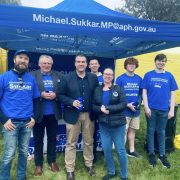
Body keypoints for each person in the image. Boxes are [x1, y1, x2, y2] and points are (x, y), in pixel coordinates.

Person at [0, 50, 40, 180]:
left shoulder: (31, 78)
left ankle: (21, 176)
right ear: (14, 60)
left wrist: (34, 117)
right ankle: (4, 177)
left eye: (26, 59)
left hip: (27, 122)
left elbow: (36, 100)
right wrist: (4, 120)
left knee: (23, 152)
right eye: (20, 58)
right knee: (9, 153)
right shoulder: (4, 77)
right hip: (10, 123)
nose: (23, 60)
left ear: (28, 62)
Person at [58, 54, 98, 180]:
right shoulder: (66, 78)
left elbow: (97, 95)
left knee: (88, 141)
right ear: (75, 63)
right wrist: (71, 102)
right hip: (72, 115)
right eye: (78, 61)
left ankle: (89, 164)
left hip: (88, 115)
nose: (81, 64)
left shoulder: (93, 77)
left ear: (87, 64)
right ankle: (70, 170)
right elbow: (60, 95)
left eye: (83, 62)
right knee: (71, 143)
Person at [141, 54, 178, 168]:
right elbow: (144, 92)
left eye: (163, 61)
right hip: (151, 109)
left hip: (163, 110)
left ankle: (162, 155)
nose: (161, 63)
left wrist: (171, 110)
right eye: (159, 61)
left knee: (161, 132)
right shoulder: (148, 75)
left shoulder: (169, 76)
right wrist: (146, 107)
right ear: (155, 61)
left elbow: (173, 94)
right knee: (151, 131)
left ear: (165, 63)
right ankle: (151, 154)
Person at [93, 68, 128, 180]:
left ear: (113, 76)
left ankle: (124, 175)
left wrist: (108, 108)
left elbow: (123, 104)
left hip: (118, 124)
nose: (108, 76)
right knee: (107, 149)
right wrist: (100, 109)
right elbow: (93, 106)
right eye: (106, 74)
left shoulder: (119, 88)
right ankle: (111, 171)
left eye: (110, 74)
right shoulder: (97, 89)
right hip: (104, 124)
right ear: (102, 75)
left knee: (120, 150)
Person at [31, 55, 62, 176]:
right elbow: (28, 91)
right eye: (44, 63)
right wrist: (40, 94)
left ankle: (52, 161)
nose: (46, 65)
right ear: (39, 64)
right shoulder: (33, 76)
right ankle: (38, 164)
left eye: (48, 63)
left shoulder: (58, 75)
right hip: (38, 114)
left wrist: (56, 95)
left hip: (53, 114)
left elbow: (63, 90)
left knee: (52, 139)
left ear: (51, 64)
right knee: (38, 140)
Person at [116, 57, 142, 158]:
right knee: (124, 131)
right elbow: (116, 95)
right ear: (125, 66)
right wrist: (127, 104)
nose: (131, 66)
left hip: (135, 111)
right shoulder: (120, 79)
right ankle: (121, 151)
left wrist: (139, 103)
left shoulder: (139, 79)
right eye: (129, 64)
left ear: (136, 66)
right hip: (124, 111)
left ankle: (131, 150)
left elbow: (140, 94)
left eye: (133, 64)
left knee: (132, 130)